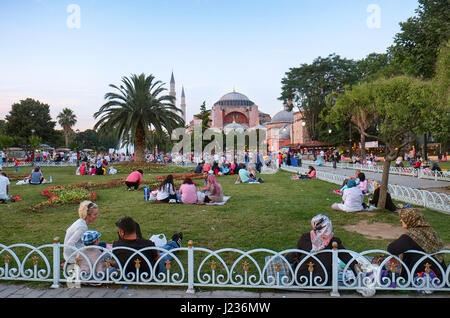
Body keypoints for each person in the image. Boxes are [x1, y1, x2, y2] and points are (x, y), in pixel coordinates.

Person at [285, 214, 357, 285]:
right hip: (322, 281)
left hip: (300, 280)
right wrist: (359, 271)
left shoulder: (305, 237)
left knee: (297, 256)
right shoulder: (334, 242)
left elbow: (289, 258)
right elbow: (347, 258)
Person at [387, 209, 446, 281]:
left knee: (385, 262)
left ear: (411, 220)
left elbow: (392, 249)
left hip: (419, 276)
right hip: (439, 273)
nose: (401, 220)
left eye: (403, 218)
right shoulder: (430, 231)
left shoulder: (412, 236)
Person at [112, 216, 182, 276]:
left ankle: (173, 244)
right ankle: (174, 245)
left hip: (129, 274)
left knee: (159, 250)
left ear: (122, 232)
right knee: (164, 255)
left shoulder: (117, 245)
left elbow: (115, 262)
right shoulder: (147, 244)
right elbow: (158, 258)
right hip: (150, 273)